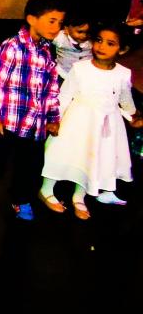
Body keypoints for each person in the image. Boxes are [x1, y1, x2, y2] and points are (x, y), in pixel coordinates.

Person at [0, 0, 64, 221]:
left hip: (35, 124)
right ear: (31, 19)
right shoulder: (11, 47)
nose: (56, 27)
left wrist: (53, 116)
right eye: (51, 21)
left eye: (60, 23)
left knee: (30, 167)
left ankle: (21, 199)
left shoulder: (48, 51)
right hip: (8, 122)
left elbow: (52, 87)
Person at [39, 22, 142, 219]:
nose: (101, 46)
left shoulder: (123, 73)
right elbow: (64, 96)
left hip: (106, 124)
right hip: (77, 120)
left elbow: (125, 99)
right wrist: (55, 119)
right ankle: (46, 189)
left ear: (122, 49)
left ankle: (80, 195)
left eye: (110, 43)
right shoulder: (80, 68)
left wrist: (132, 115)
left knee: (93, 158)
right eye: (99, 40)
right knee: (61, 153)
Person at [51, 14, 92, 81]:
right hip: (63, 74)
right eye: (80, 32)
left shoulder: (91, 42)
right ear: (66, 29)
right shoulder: (60, 38)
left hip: (84, 75)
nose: (84, 35)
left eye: (88, 32)